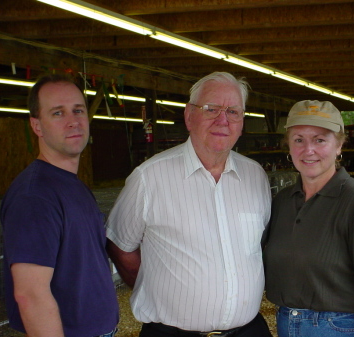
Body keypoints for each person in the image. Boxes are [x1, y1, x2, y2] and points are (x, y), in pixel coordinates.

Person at [106, 72, 273, 337]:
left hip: (247, 331)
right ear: (188, 116)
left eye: (233, 111)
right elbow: (120, 247)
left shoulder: (256, 177)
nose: (223, 120)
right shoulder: (149, 178)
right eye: (211, 109)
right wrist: (157, 290)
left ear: (242, 122)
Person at [263, 100, 354, 337]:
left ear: (339, 145)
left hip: (339, 327)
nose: (308, 150)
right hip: (286, 322)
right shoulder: (282, 201)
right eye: (299, 139)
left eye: (320, 139)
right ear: (289, 146)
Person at [0, 74, 119, 337]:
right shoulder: (35, 197)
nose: (73, 121)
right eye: (57, 113)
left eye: (78, 110)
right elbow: (31, 294)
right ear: (37, 126)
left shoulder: (71, 184)